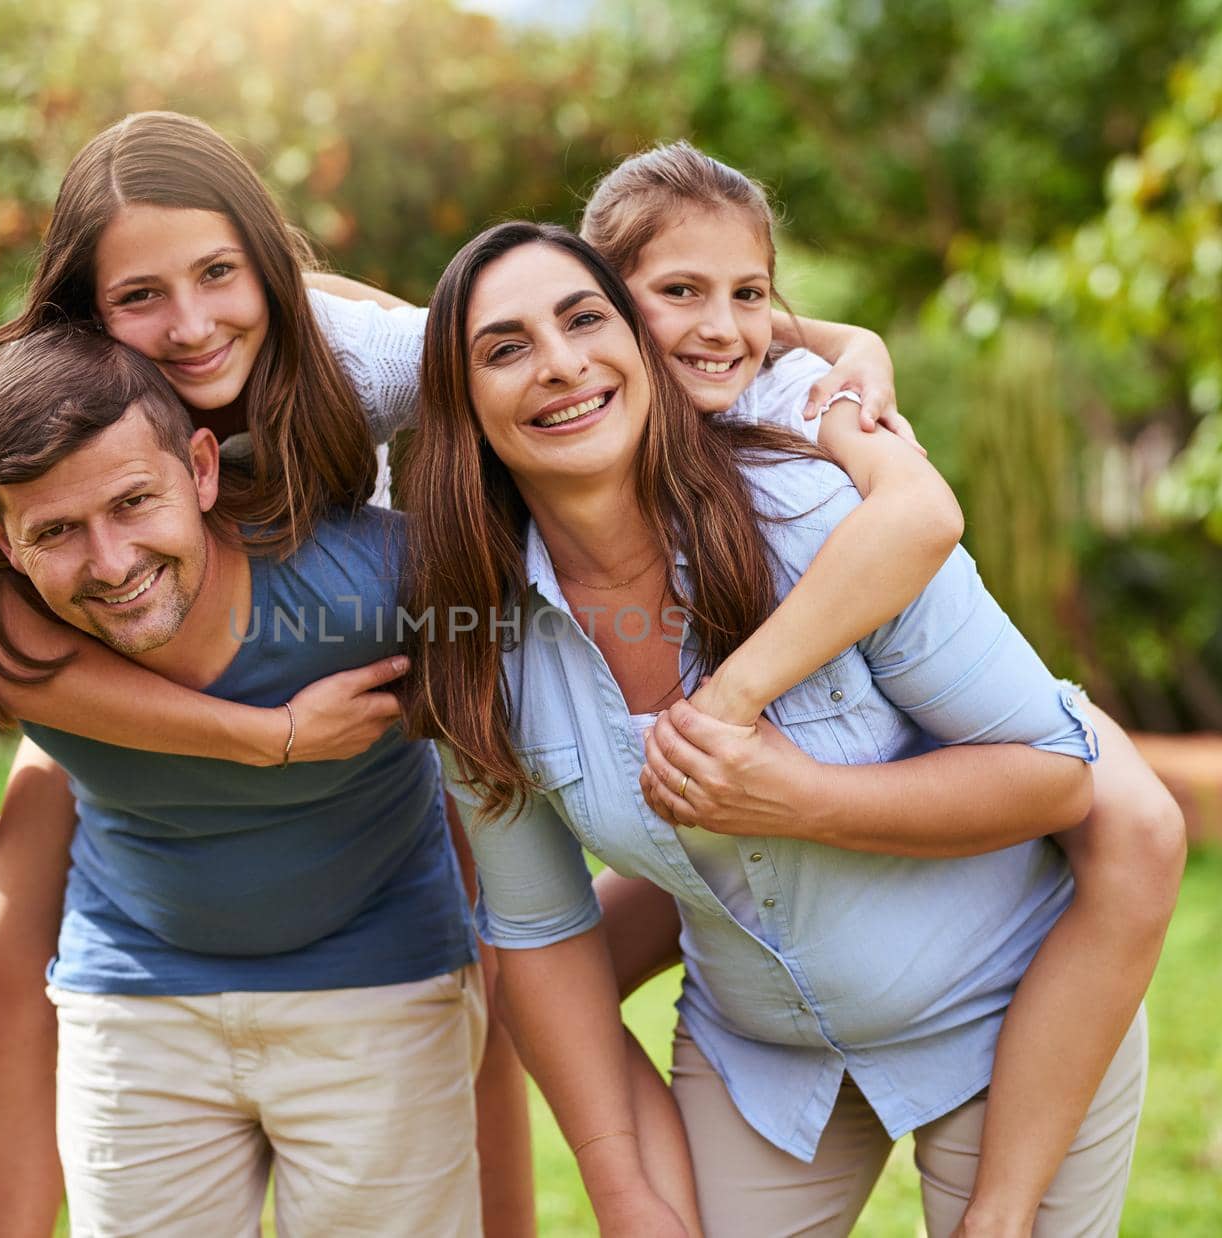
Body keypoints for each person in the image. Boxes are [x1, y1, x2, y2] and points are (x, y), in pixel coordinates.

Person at [0, 111, 902, 1238]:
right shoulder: (68, 431)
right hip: (147, 672)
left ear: (266, 269)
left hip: (384, 643)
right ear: (86, 310)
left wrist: (831, 338)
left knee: (479, 963)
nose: (188, 326)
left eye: (220, 273)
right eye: (140, 297)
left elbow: (571, 331)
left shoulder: (344, 353)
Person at [400, 218, 1168, 1236]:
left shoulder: (817, 512)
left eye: (584, 319)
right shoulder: (470, 646)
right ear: (462, 411)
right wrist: (622, 1189)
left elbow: (1055, 777)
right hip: (758, 1062)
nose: (559, 363)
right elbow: (542, 934)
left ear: (635, 345)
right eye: (503, 348)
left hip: (1006, 1008)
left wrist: (803, 797)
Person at [0, 323, 488, 1234]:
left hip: (377, 986)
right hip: (135, 998)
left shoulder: (371, 581)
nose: (111, 562)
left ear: (202, 471)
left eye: (135, 502)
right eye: (55, 531)